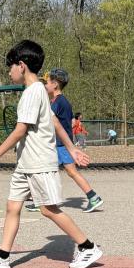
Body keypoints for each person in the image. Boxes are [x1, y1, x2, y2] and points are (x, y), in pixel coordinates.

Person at [0, 40, 103, 268]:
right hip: (25, 164)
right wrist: (71, 147)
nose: (9, 71)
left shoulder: (33, 93)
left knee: (48, 209)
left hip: (38, 163)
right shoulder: (40, 91)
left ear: (21, 65)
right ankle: (3, 256)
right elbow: (54, 122)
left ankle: (87, 247)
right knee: (12, 206)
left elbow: (20, 130)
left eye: (11, 66)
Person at [44, 69, 102, 212]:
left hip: (60, 144)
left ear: (55, 85)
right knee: (47, 171)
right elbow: (72, 122)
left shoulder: (58, 103)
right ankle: (92, 196)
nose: (45, 85)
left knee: (68, 172)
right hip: (60, 143)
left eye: (47, 82)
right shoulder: (61, 102)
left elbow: (50, 122)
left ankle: (93, 197)